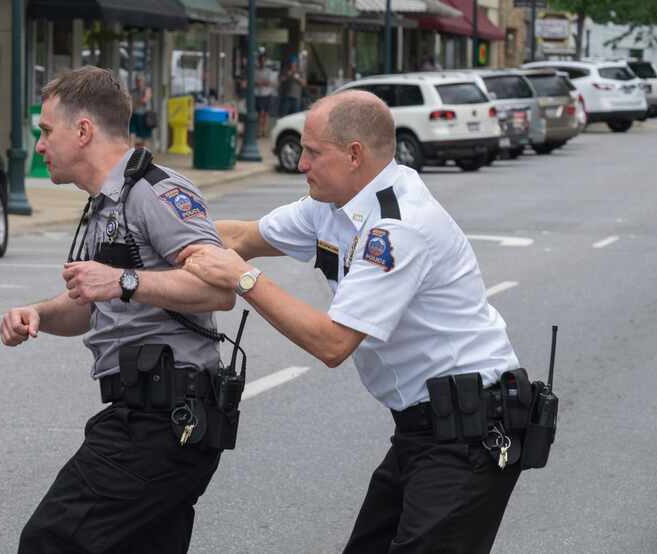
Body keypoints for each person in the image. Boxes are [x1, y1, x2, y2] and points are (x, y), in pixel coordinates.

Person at [177, 90, 524, 553]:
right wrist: (153, 231)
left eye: (312, 152)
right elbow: (241, 236)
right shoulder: (333, 205)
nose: (301, 163)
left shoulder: (398, 226)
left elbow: (334, 343)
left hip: (471, 433)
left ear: (354, 154)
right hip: (424, 430)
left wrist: (243, 278)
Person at [0, 65, 236, 554]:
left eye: (46, 131)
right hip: (146, 414)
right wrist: (41, 313)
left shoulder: (156, 191)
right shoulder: (106, 202)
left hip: (164, 421)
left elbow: (219, 290)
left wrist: (123, 280)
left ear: (83, 131)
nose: (39, 145)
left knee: (51, 540)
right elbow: (93, 304)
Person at [129, 73, 153, 148]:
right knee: (132, 134)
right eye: (137, 80)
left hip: (144, 116)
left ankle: (146, 154)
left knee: (145, 137)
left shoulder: (147, 90)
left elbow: (145, 100)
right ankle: (132, 153)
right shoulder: (133, 91)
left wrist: (135, 103)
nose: (138, 82)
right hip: (134, 115)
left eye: (140, 80)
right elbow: (130, 102)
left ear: (144, 81)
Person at [255, 52, 276, 137]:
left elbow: (271, 82)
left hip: (267, 94)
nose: (262, 62)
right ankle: (259, 131)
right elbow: (253, 82)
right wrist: (260, 82)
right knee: (260, 113)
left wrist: (261, 82)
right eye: (260, 60)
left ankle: (264, 130)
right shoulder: (255, 71)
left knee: (266, 114)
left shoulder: (269, 71)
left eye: (263, 61)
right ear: (258, 61)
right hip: (258, 94)